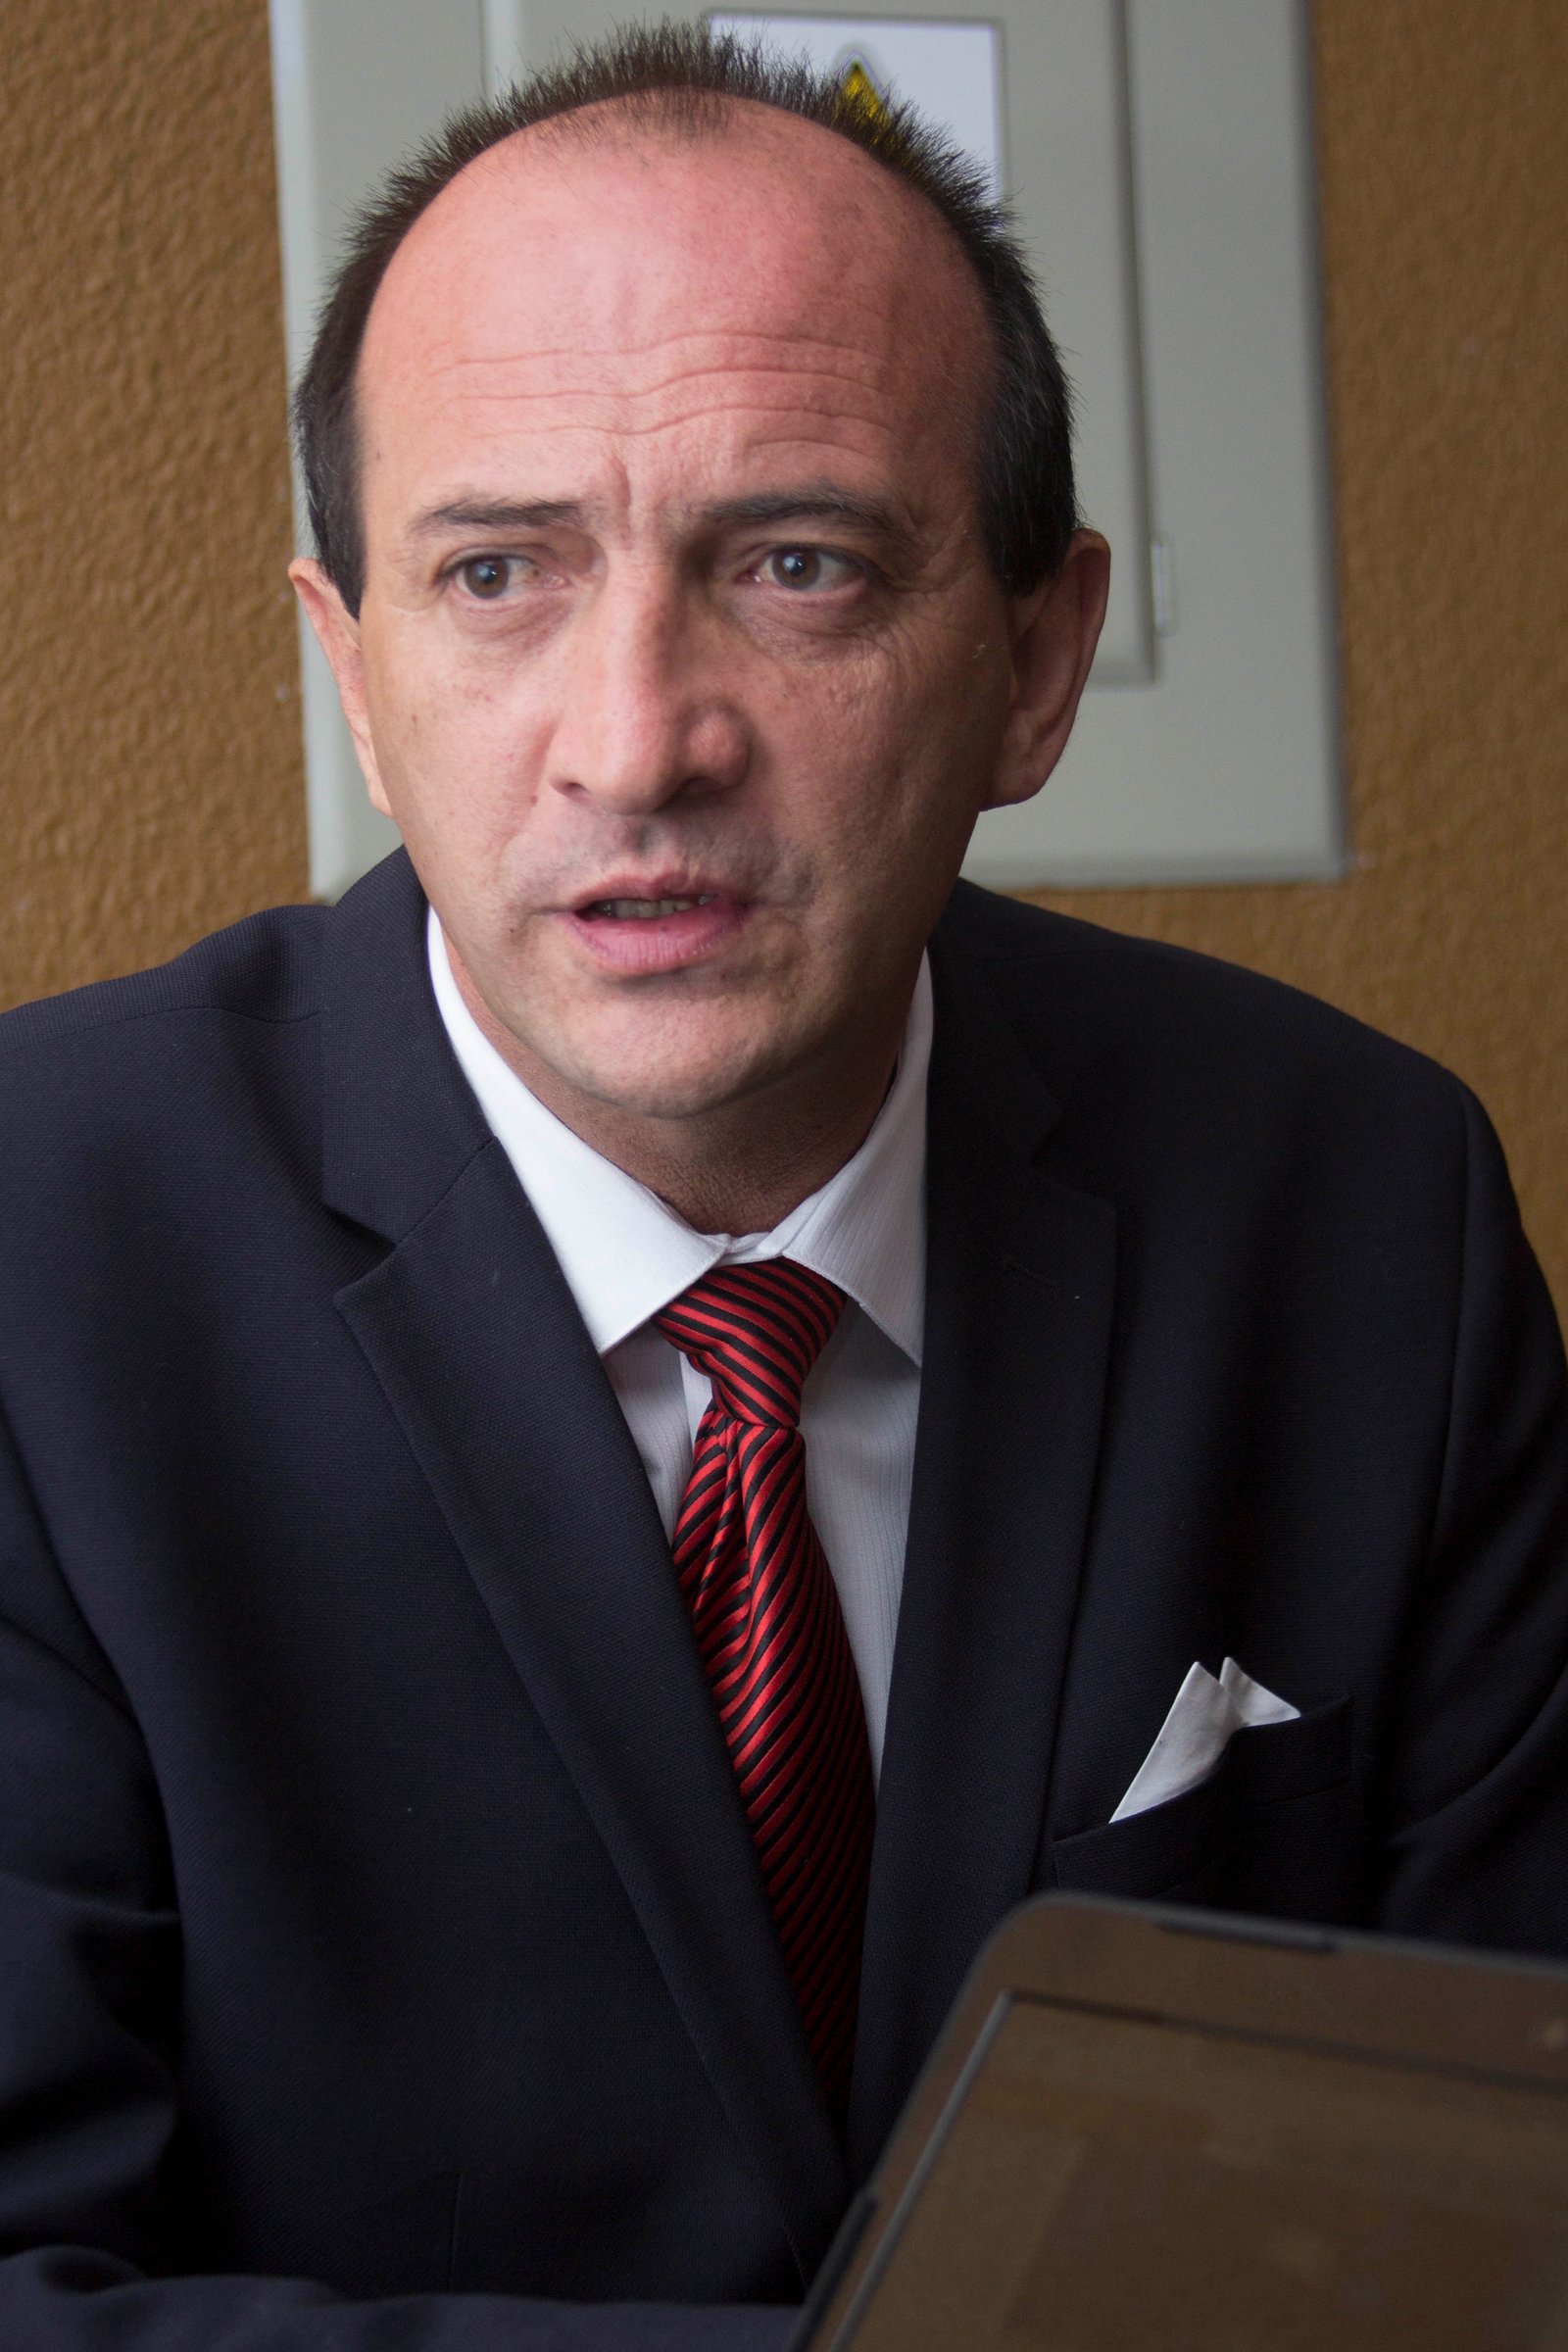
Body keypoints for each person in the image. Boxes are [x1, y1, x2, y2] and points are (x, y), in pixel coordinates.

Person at [2, 20, 1566, 2348]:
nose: (638, 742)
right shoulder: (35, 1257)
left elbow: (1497, 2175)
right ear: (354, 674)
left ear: (1034, 660)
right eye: (497, 572)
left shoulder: (1357, 1206)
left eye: (798, 564)